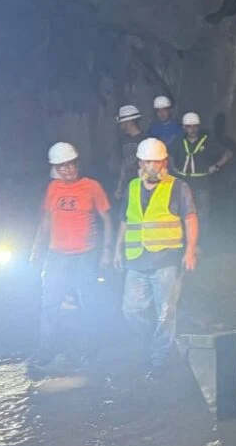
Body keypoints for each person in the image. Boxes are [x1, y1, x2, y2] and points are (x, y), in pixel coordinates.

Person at [110, 137, 198, 379]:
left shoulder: (178, 187)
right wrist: (117, 250)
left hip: (166, 259)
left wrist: (190, 250)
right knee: (131, 309)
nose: (152, 167)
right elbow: (125, 220)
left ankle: (160, 359)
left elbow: (190, 218)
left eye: (157, 162)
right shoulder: (132, 188)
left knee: (165, 311)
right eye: (148, 162)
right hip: (136, 260)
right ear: (140, 162)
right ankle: (158, 341)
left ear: (164, 162)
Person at [28, 142, 113, 369]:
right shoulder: (53, 189)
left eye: (70, 164)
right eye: (62, 166)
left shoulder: (92, 187)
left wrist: (106, 251)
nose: (67, 170)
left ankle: (90, 348)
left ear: (77, 163)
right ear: (56, 168)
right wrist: (37, 248)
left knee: (88, 303)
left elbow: (106, 220)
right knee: (49, 304)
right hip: (57, 255)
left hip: (85, 255)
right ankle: (45, 349)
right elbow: (46, 220)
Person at [171, 112, 232, 231]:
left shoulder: (207, 141)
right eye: (189, 126)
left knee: (202, 215)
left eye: (195, 126)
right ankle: (186, 242)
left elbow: (228, 154)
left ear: (199, 127)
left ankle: (203, 243)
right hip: (184, 183)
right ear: (184, 128)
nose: (192, 129)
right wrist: (174, 170)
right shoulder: (178, 142)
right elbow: (169, 156)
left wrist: (216, 166)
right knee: (183, 213)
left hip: (201, 183)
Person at [115, 105, 145, 201]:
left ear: (129, 122)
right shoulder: (123, 140)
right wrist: (120, 187)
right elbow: (123, 164)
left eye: (123, 123)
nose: (121, 126)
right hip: (127, 185)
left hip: (142, 185)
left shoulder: (146, 139)